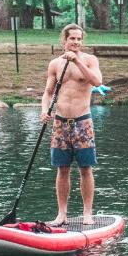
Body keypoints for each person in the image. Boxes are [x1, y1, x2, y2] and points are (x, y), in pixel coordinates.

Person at [43, 23, 103, 226]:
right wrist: (44, 110)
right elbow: (49, 92)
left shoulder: (89, 60)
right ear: (64, 40)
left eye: (79, 39)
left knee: (86, 168)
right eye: (72, 39)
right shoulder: (55, 64)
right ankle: (62, 214)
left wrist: (77, 61)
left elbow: (96, 81)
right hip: (60, 123)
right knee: (62, 169)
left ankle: (87, 213)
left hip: (82, 122)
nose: (76, 42)